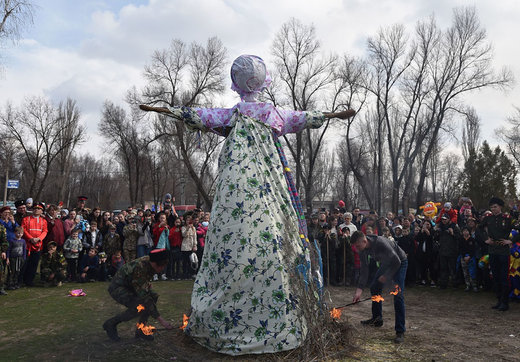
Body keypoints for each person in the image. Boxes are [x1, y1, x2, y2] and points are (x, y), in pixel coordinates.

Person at [140, 54, 354, 354]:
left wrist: (169, 110)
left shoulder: (236, 115)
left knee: (241, 234)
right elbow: (303, 116)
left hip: (240, 185)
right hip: (266, 186)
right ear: (262, 81)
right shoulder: (272, 115)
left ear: (237, 83)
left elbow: (200, 115)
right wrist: (331, 115)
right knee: (270, 234)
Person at [102, 248, 173, 342]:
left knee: (154, 296)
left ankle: (141, 330)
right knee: (138, 306)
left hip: (131, 285)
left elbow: (143, 283)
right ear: (155, 264)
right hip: (118, 288)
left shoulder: (151, 261)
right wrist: (161, 320)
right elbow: (144, 296)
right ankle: (111, 323)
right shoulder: (141, 268)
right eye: (162, 267)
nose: (162, 269)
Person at [351, 230, 408, 344]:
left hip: (400, 262)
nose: (357, 249)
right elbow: (364, 270)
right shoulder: (362, 249)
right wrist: (359, 290)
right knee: (374, 287)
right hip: (387, 264)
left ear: (364, 241)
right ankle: (377, 319)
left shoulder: (381, 243)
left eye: (358, 246)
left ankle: (400, 331)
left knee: (398, 295)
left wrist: (387, 276)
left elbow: (396, 261)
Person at [481, 197, 512, 311]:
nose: (493, 209)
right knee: (496, 277)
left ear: (500, 207)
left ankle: (505, 302)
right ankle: (499, 300)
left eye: (495, 207)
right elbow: (479, 229)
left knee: (504, 278)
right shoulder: (488, 219)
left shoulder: (507, 218)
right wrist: (485, 239)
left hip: (503, 251)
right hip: (493, 250)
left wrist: (511, 241)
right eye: (492, 207)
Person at [22, 202, 48, 286]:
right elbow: (24, 230)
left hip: (38, 246)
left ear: (42, 211)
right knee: (25, 264)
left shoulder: (43, 221)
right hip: (27, 245)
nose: (37, 210)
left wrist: (39, 239)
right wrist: (30, 238)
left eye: (39, 209)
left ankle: (30, 281)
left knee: (34, 264)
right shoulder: (26, 219)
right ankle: (22, 280)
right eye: (35, 208)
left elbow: (45, 231)